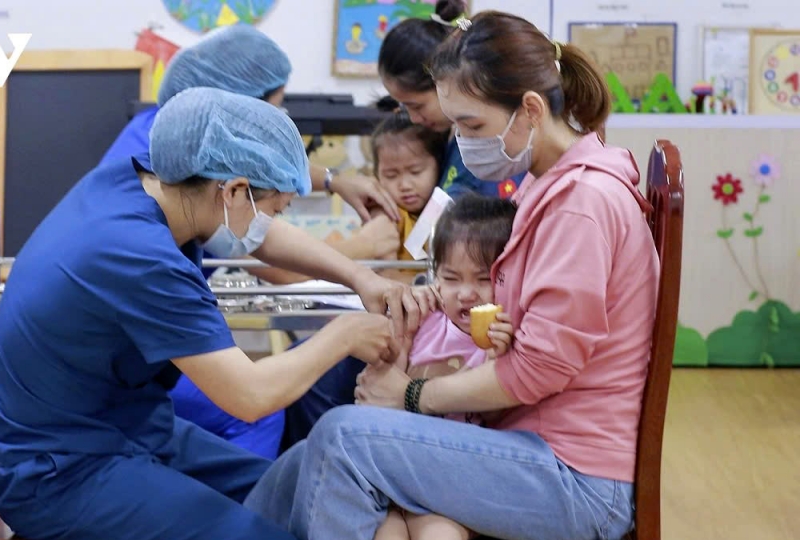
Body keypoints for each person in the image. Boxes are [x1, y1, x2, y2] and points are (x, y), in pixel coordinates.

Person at [244, 11, 659, 540]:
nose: (461, 141)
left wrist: (411, 393)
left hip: (574, 477)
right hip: (536, 447)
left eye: (472, 125)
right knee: (313, 454)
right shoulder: (553, 187)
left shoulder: (580, 204)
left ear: (530, 110)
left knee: (343, 439)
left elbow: (537, 372)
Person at [0, 87, 426, 540]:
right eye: (273, 208)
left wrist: (360, 277)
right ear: (233, 190)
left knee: (300, 497)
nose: (269, 221)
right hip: (59, 472)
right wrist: (346, 333)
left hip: (129, 427)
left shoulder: (146, 185)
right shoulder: (140, 255)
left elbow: (261, 237)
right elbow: (249, 397)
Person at [103, 23, 401, 460]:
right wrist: (361, 259)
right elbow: (266, 255)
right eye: (267, 120)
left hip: (118, 370)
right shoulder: (160, 209)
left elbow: (249, 172)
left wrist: (333, 180)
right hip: (117, 385)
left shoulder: (166, 137)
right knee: (257, 413)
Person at [103, 23, 400, 225]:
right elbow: (263, 250)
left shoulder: (179, 128)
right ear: (238, 105)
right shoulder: (171, 156)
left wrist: (332, 180)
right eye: (271, 111)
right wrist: (367, 250)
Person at [373, 194, 516, 540]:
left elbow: (497, 416)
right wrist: (403, 333)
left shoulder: (504, 337)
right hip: (399, 473)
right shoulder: (425, 322)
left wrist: (497, 359)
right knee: (383, 532)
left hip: (455, 486)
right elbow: (380, 391)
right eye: (451, 279)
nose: (466, 294)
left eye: (483, 279)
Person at [378, 0, 525, 200]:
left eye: (417, 106)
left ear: (443, 85)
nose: (413, 119)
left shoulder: (489, 152)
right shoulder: (448, 140)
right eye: (403, 106)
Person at [366, 98, 448, 285]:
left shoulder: (446, 207)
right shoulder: (387, 215)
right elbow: (387, 276)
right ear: (376, 174)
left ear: (439, 165)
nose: (404, 185)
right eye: (391, 175)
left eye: (415, 172)